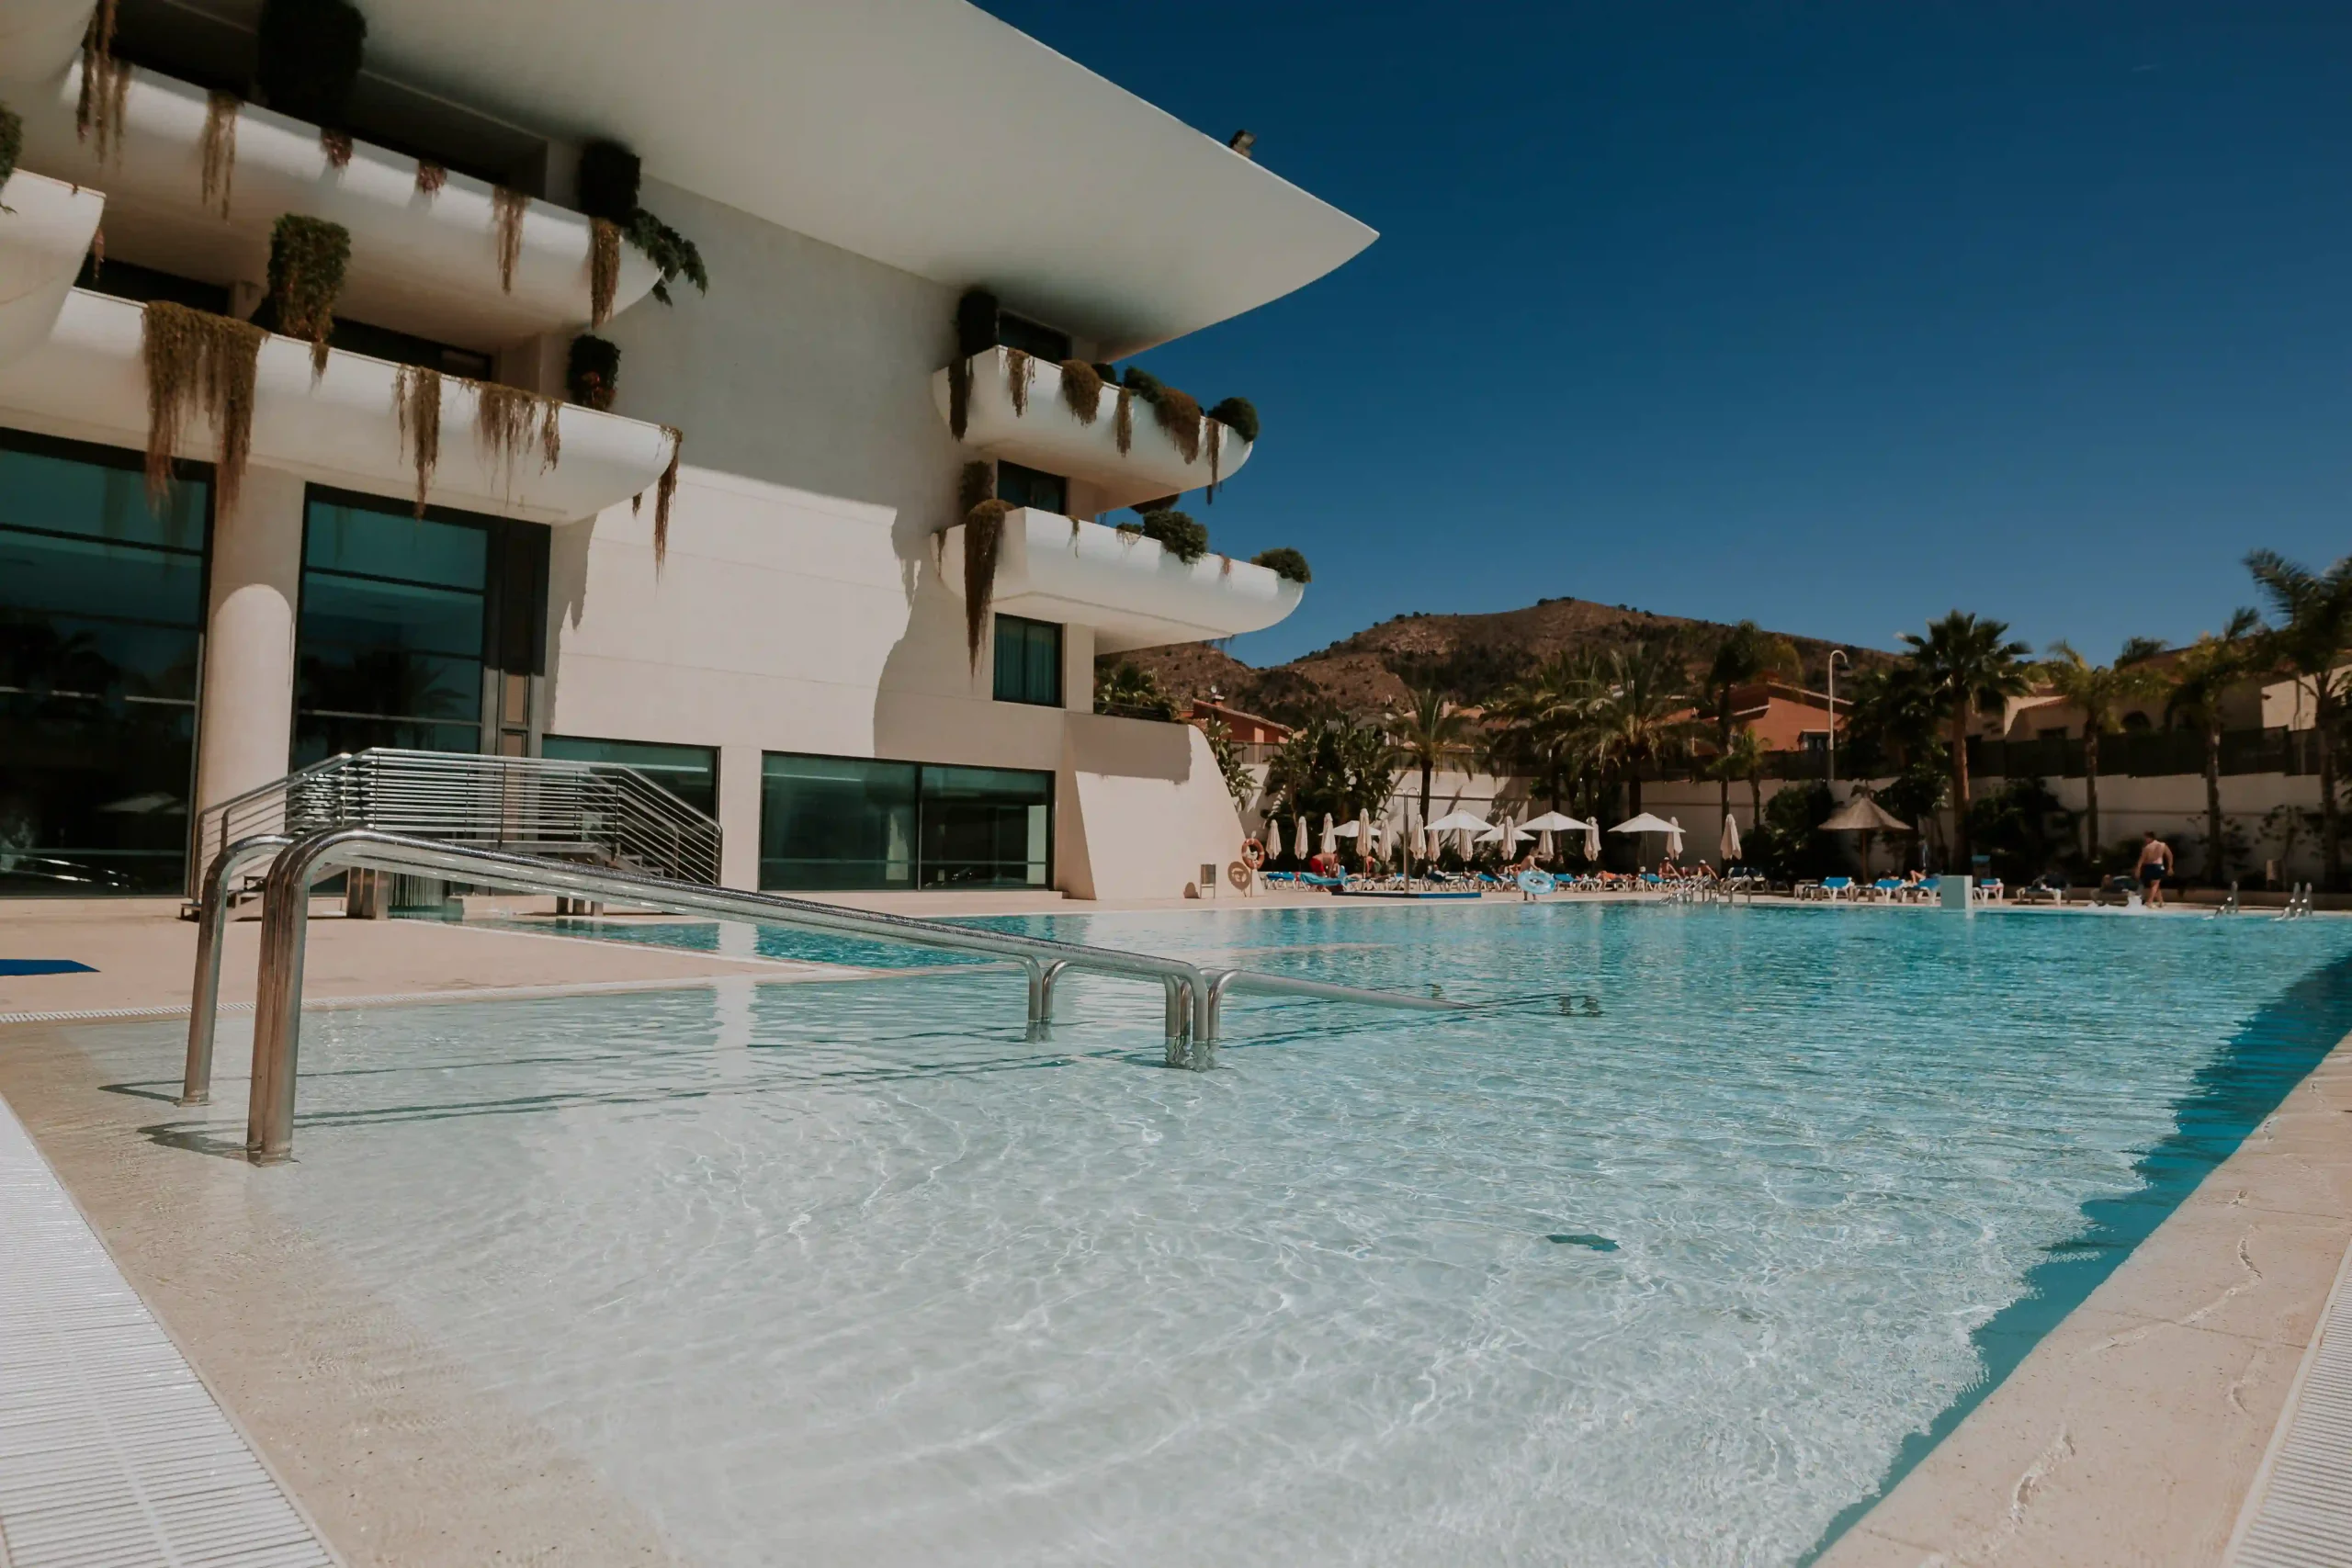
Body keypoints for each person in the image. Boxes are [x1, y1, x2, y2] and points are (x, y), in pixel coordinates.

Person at [2136, 831, 2175, 907]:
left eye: (2146, 838)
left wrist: (2138, 869)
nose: (2145, 840)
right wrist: (2170, 867)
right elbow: (2170, 856)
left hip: (2149, 867)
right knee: (2155, 884)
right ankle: (2157, 902)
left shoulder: (2147, 847)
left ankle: (2151, 902)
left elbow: (2141, 859)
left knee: (2155, 884)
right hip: (2158, 866)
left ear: (2150, 837)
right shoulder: (2163, 845)